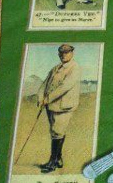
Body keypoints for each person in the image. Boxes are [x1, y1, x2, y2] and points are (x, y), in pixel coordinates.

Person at [36, 44, 81, 173]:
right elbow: (45, 83)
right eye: (61, 53)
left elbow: (65, 87)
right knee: (55, 132)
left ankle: (52, 162)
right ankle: (58, 159)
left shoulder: (75, 68)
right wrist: (40, 97)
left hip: (64, 106)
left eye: (66, 53)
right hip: (51, 106)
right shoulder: (56, 68)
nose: (63, 55)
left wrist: (47, 99)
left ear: (72, 53)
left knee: (58, 131)